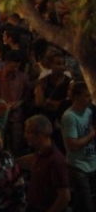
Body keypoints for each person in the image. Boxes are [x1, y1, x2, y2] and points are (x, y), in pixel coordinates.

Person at [19, 114, 71, 212]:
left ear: (40, 135)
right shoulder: (40, 151)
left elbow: (65, 196)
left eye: (27, 132)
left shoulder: (56, 161)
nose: (24, 136)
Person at [61, 81, 96, 212]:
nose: (90, 99)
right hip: (78, 167)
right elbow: (73, 145)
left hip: (91, 163)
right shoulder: (70, 116)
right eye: (86, 96)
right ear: (76, 97)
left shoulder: (88, 111)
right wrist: (91, 135)